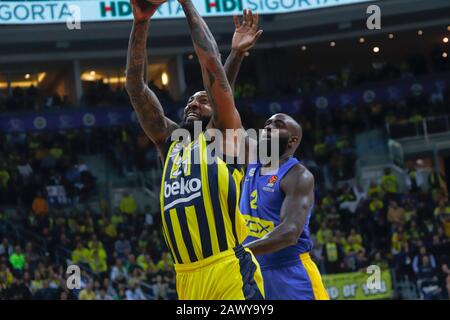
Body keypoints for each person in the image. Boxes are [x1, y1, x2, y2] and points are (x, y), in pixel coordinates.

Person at [125, 0, 264, 300]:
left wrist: (186, 3)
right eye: (189, 101)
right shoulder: (169, 143)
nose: (192, 104)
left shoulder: (224, 134)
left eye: (202, 100)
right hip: (185, 278)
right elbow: (135, 88)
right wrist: (140, 22)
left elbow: (211, 65)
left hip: (229, 270)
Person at [240, 113, 329, 300]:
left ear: (292, 140)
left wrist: (241, 252)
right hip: (254, 272)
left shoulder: (298, 176)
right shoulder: (252, 159)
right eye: (267, 123)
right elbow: (226, 119)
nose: (268, 127)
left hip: (291, 275)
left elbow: (290, 232)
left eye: (278, 125)